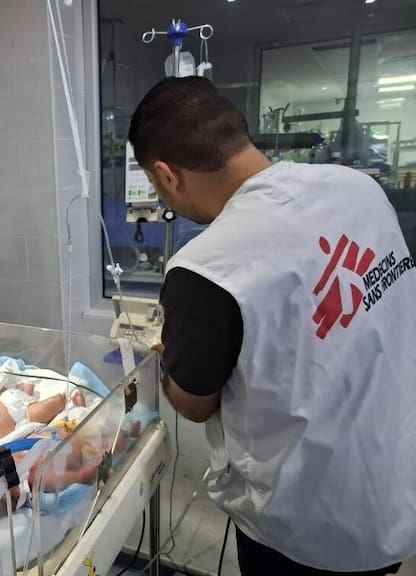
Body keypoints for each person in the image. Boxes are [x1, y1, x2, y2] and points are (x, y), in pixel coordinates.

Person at [128, 76, 416, 575]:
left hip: (308, 530)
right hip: (395, 488)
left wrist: (168, 362)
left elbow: (195, 404)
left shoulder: (208, 267)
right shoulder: (359, 190)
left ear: (167, 176)